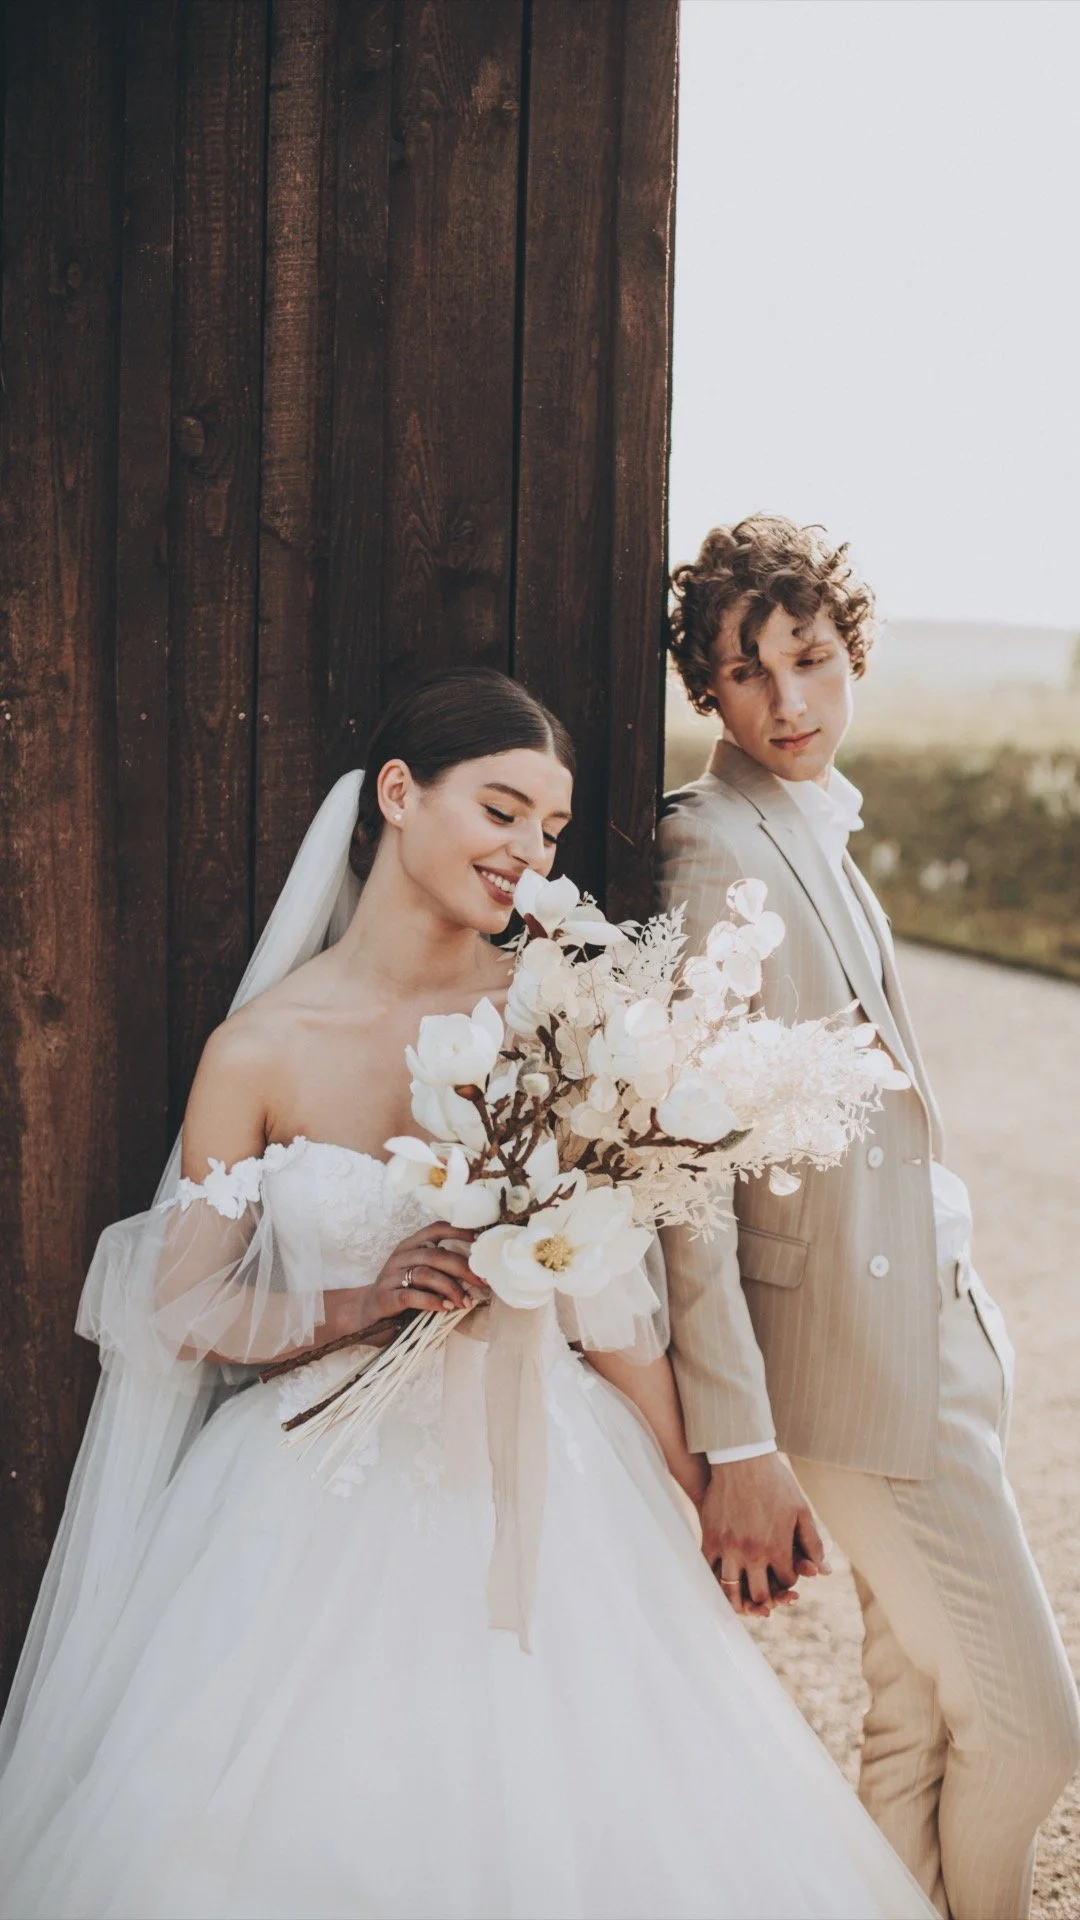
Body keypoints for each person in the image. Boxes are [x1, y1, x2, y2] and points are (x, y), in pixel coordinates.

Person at [0, 664, 933, 1920]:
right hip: (303, 1498)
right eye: (501, 810)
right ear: (398, 794)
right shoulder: (262, 1049)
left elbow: (611, 1306)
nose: (529, 852)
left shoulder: (553, 1017)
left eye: (548, 827)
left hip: (552, 1483)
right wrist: (364, 1298)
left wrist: (696, 1485)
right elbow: (183, 1308)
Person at [657, 516, 1080, 1920]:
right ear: (705, 691)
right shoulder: (711, 852)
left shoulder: (807, 824)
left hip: (933, 1333)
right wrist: (741, 1437)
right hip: (857, 1370)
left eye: (815, 660)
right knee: (1035, 1726)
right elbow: (686, 1174)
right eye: (750, 672)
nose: (790, 703)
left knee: (915, 1721)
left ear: (853, 658)